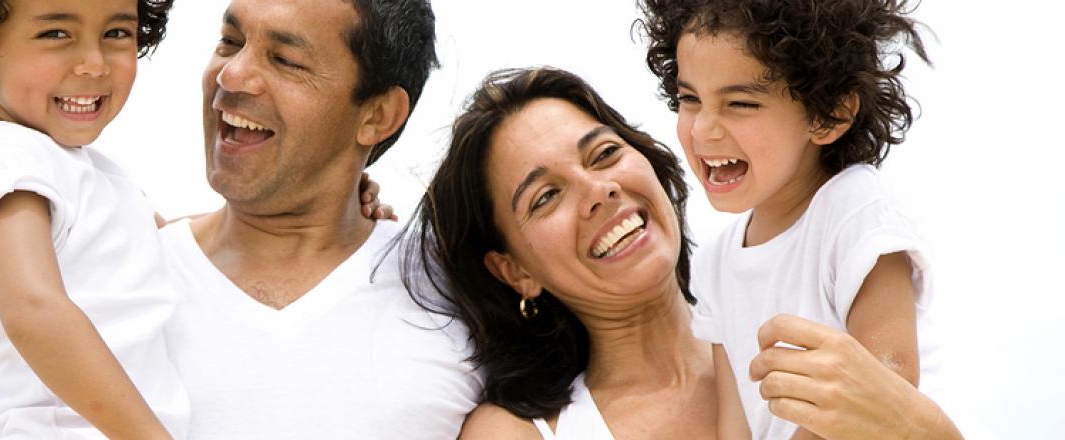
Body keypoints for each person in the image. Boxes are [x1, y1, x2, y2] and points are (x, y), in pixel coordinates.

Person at [408, 67, 962, 439]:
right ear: (514, 270)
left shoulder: (819, 313)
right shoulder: (521, 432)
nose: (598, 190)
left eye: (603, 155)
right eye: (546, 196)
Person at [0, 0, 391, 437]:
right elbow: (34, 311)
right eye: (56, 33)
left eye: (116, 32)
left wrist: (342, 210)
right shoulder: (7, 160)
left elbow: (165, 244)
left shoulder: (81, 171)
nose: (94, 63)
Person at [156, 0, 481, 438]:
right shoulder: (116, 269)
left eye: (287, 60)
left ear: (377, 115)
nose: (230, 74)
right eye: (230, 41)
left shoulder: (463, 295)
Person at [637, 1, 959, 438]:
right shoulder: (714, 265)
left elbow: (889, 385)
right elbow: (736, 426)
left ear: (830, 114)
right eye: (689, 99)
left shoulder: (854, 211)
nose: (702, 130)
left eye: (740, 103)